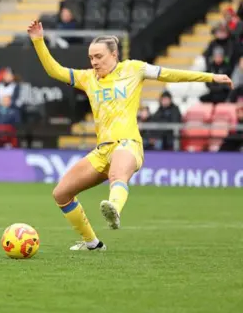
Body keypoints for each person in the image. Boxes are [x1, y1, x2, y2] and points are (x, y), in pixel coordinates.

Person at [27, 20, 233, 251]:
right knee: (61, 193)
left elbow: (169, 75)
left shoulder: (134, 69)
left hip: (128, 144)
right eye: (91, 58)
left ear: (114, 54)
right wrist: (38, 41)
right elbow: (55, 70)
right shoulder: (88, 78)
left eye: (98, 56)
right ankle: (92, 243)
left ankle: (113, 209)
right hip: (101, 150)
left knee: (117, 174)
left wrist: (210, 77)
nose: (94, 62)